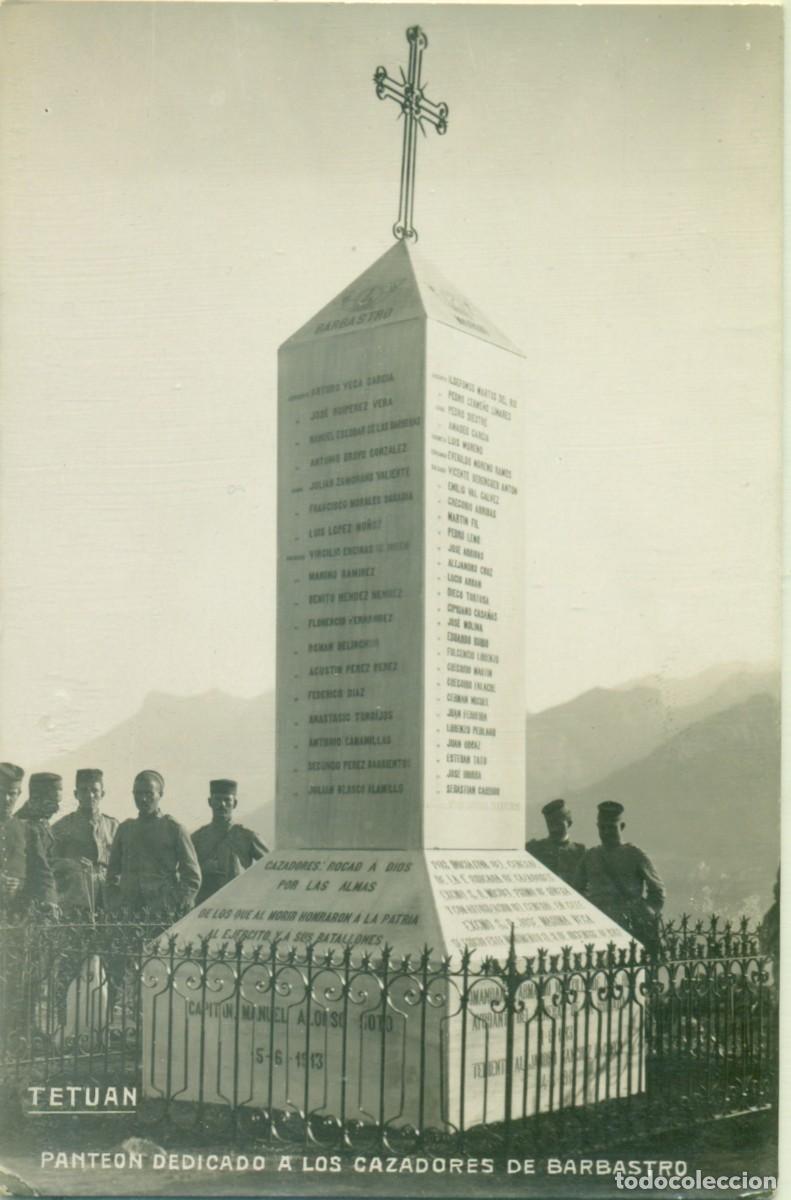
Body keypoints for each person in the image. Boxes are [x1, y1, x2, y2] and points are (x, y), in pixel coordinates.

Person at [106, 770, 201, 918]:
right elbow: (112, 874)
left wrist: (174, 905)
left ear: (160, 794)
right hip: (129, 914)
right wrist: (116, 904)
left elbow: (192, 878)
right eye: (137, 793)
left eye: (149, 793)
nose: (143, 799)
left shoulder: (174, 829)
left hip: (163, 913)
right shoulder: (125, 829)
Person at [575, 800, 665, 955]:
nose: (606, 832)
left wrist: (645, 914)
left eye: (611, 827)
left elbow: (657, 891)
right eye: (602, 827)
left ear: (622, 827)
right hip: (598, 926)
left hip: (630, 927)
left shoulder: (635, 855)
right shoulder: (590, 856)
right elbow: (575, 890)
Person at [51, 769, 119, 913]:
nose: (90, 795)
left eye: (95, 790)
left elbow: (124, 862)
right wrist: (71, 863)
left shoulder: (114, 826)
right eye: (84, 790)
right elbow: (49, 862)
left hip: (109, 896)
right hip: (76, 897)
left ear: (103, 794)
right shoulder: (61, 827)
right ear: (76, 794)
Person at [192, 779, 268, 904]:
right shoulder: (197, 838)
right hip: (203, 905)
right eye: (217, 800)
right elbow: (186, 872)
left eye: (227, 800)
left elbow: (272, 866)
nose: (222, 805)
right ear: (210, 802)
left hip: (237, 904)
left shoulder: (248, 837)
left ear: (235, 803)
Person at [0, 762, 57, 915]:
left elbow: (43, 874)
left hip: (20, 911)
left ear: (19, 794)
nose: (6, 799)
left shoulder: (27, 830)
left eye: (12, 793)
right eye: (1, 792)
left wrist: (50, 901)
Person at [526, 798, 586, 887]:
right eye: (550, 823)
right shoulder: (535, 849)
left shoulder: (580, 852)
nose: (554, 828)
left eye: (558, 823)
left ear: (569, 822)